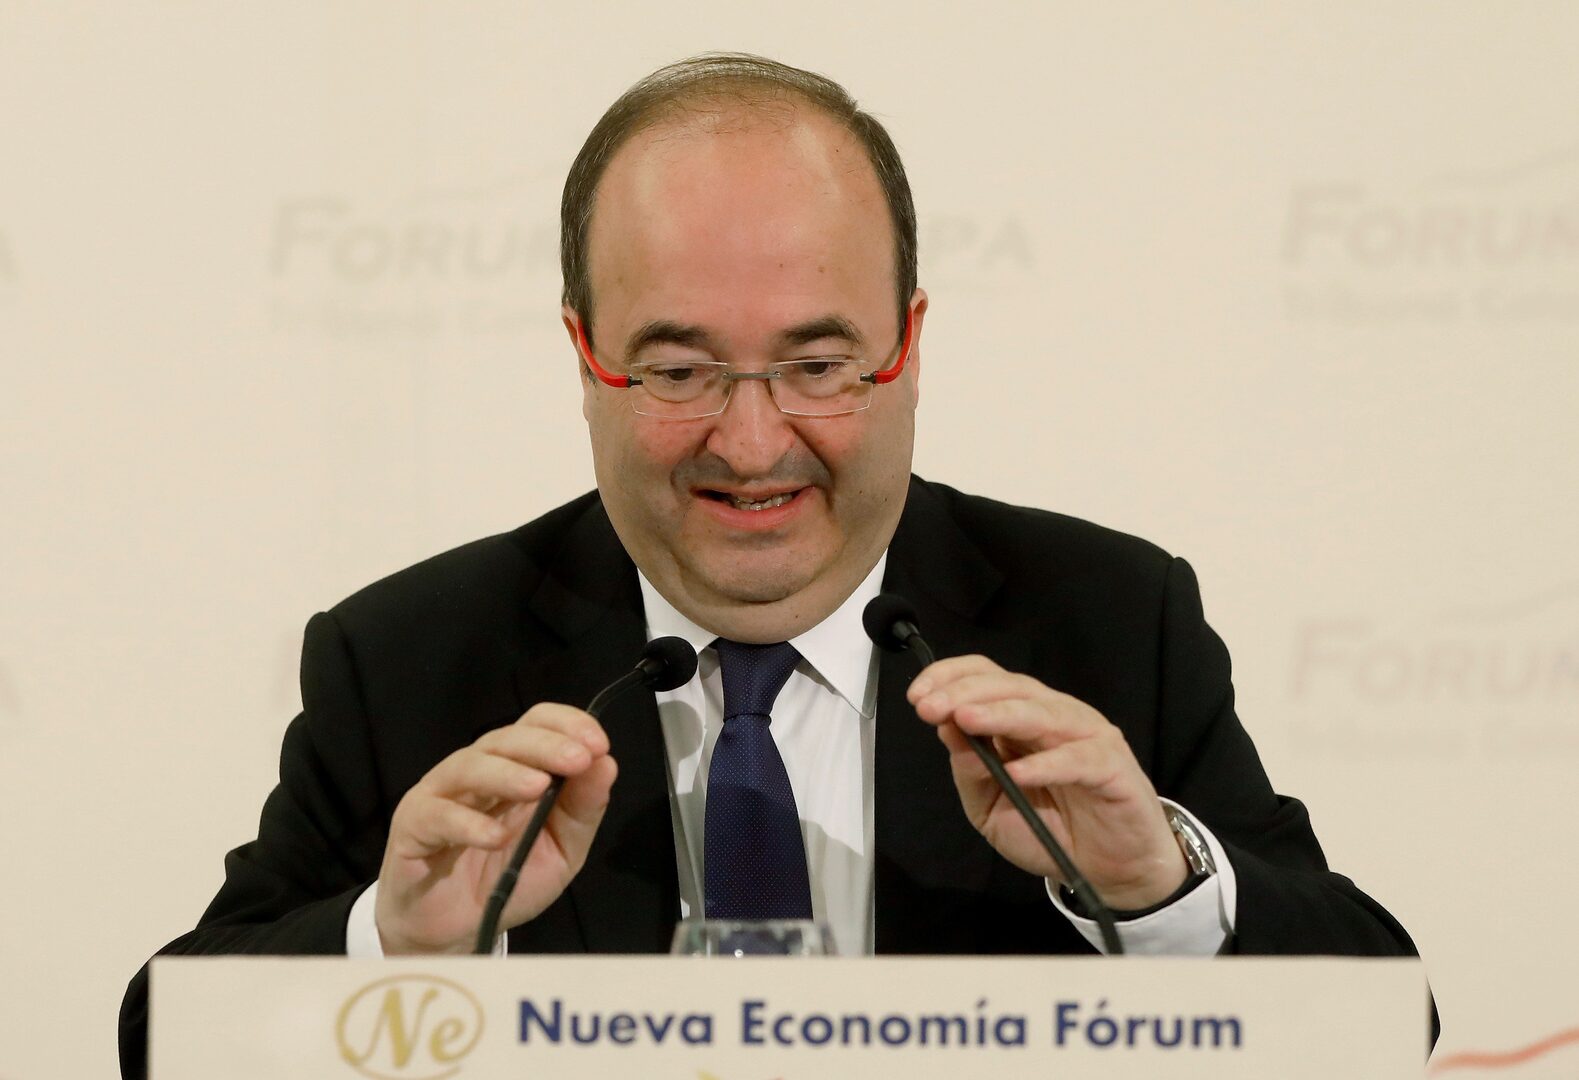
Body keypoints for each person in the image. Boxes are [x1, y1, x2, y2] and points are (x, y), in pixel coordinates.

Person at [119, 53, 1423, 1077]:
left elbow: (1380, 1026)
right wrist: (401, 952)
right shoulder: (410, 656)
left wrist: (1159, 894)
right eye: (679, 370)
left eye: (818, 365)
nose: (752, 444)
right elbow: (168, 1041)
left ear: (909, 346)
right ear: (585, 356)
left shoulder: (1105, 618)